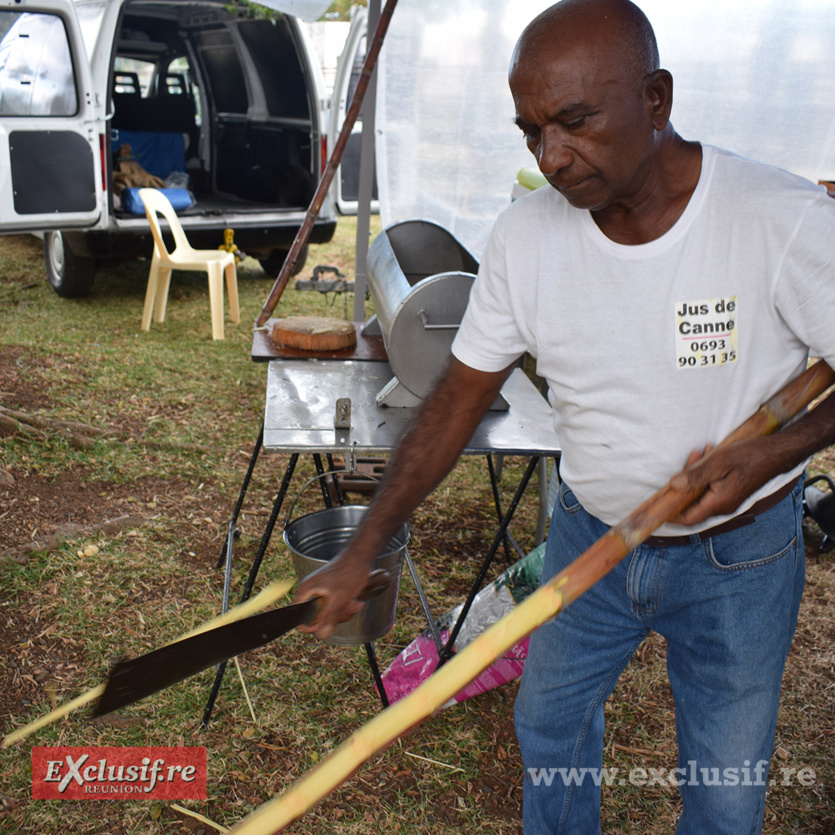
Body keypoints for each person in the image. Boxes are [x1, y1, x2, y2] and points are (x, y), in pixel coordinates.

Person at [296, 0, 835, 831]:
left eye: (575, 122)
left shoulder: (777, 218)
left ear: (654, 99)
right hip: (589, 536)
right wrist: (365, 543)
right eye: (531, 132)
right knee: (548, 727)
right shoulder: (525, 239)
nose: (550, 157)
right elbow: (455, 402)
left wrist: (775, 452)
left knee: (724, 790)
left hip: (737, 557)